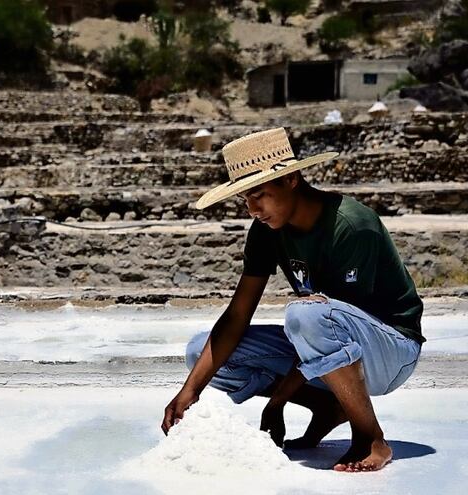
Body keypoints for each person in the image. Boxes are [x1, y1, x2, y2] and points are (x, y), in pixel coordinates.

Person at [162, 128, 424, 472]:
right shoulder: (267, 231)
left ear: (292, 179)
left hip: (390, 352)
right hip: (328, 345)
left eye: (260, 194)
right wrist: (190, 391)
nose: (253, 209)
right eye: (245, 199)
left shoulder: (350, 225)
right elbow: (237, 316)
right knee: (201, 353)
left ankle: (370, 437)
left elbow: (336, 324)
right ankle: (330, 406)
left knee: (307, 315)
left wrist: (276, 404)